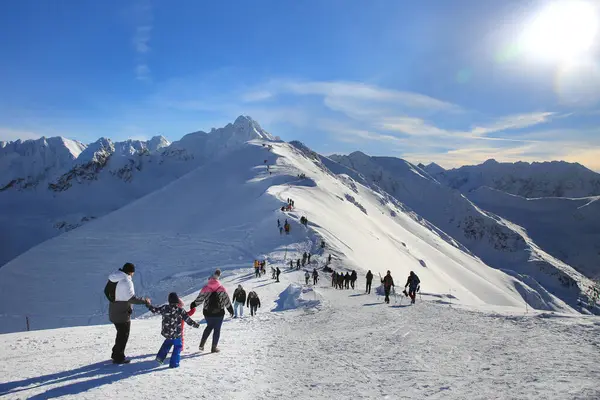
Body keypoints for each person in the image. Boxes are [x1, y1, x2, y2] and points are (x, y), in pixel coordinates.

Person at [104, 262, 150, 364]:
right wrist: (145, 301)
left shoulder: (114, 277)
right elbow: (132, 298)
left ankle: (116, 354)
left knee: (120, 334)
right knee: (123, 335)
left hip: (113, 309)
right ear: (130, 272)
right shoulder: (126, 281)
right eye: (133, 272)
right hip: (122, 313)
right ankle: (118, 357)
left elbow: (106, 291)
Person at [147, 292, 200, 368]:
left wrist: (148, 304)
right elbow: (188, 320)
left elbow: (154, 310)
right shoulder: (180, 310)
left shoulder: (164, 308)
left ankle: (160, 358)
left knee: (167, 344)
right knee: (177, 347)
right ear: (177, 301)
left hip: (167, 333)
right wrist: (196, 325)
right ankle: (174, 364)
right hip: (176, 334)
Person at [190, 269, 234, 353]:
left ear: (209, 279)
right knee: (217, 330)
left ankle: (201, 345)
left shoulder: (205, 288)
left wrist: (193, 305)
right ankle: (213, 348)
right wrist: (230, 310)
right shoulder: (221, 288)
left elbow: (199, 300)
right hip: (219, 313)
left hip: (207, 313)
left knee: (209, 327)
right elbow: (226, 301)